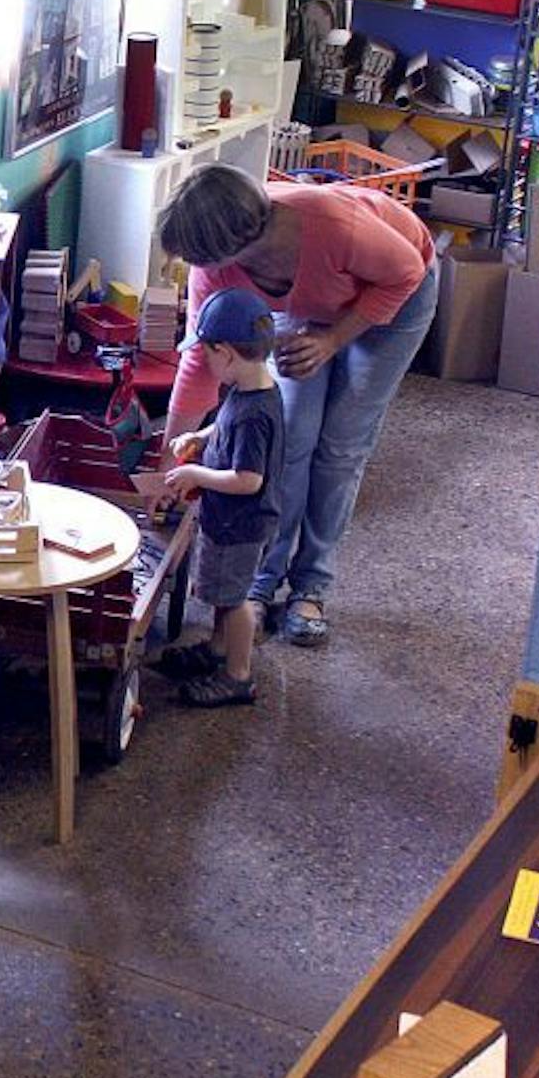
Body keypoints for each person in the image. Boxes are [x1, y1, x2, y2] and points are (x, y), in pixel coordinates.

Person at [157, 164, 435, 648]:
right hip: (306, 302)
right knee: (286, 438)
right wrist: (166, 459)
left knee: (340, 447)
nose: (196, 269)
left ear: (232, 244)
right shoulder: (216, 270)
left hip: (394, 293)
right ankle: (263, 581)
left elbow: (405, 271)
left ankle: (311, 587)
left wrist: (332, 341)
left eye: (198, 258)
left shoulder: (331, 226)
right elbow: (202, 361)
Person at [160, 289, 285, 708]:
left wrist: (197, 473)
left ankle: (238, 675)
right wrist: (200, 435)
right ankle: (217, 650)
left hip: (241, 524)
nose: (204, 362)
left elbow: (248, 479)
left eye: (206, 353)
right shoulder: (250, 389)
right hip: (229, 520)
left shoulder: (254, 414)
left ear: (226, 353)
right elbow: (224, 426)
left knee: (235, 601)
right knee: (222, 593)